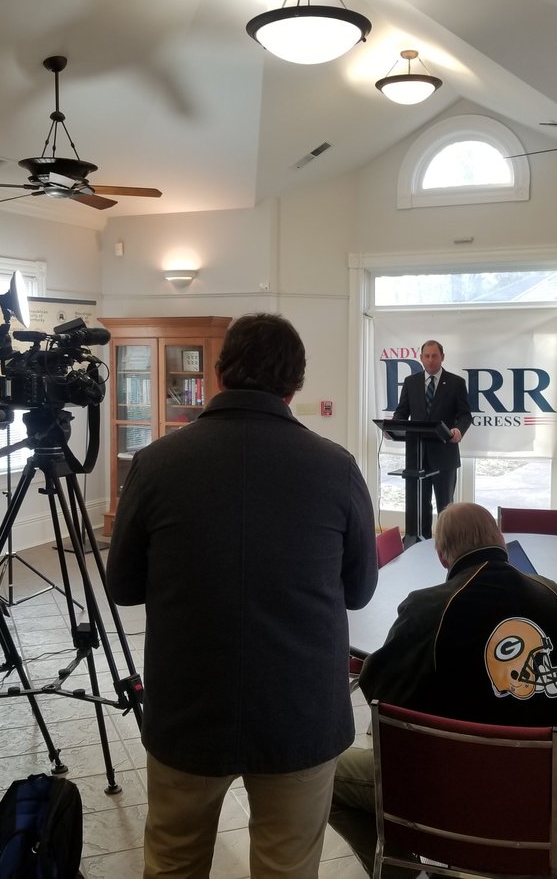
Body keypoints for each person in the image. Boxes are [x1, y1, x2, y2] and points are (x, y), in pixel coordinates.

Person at [106, 313, 378, 878]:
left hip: (188, 706)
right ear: (295, 385)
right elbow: (360, 591)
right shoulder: (337, 468)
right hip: (299, 711)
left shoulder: (156, 462)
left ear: (218, 372)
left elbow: (123, 587)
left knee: (173, 862)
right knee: (288, 867)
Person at [329, 503, 557, 877]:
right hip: (545, 797)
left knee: (325, 776)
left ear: (442, 555)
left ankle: (401, 869)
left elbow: (382, 693)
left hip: (451, 794)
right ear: (501, 540)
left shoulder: (429, 607)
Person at [391, 340, 472, 538]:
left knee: (446, 507)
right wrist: (393, 425)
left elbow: (465, 415)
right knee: (420, 506)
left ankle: (447, 544)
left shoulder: (456, 383)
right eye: (426, 356)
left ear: (442, 357)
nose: (430, 360)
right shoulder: (411, 382)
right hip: (417, 458)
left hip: (445, 456)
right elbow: (402, 412)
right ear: (421, 358)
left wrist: (458, 430)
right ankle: (422, 543)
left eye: (434, 356)